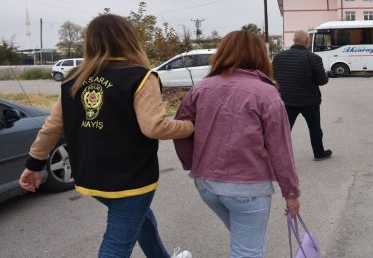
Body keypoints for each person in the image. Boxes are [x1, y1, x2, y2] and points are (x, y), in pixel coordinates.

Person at [19, 14, 194, 258]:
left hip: (90, 176)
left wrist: (34, 164)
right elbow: (155, 127)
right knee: (116, 245)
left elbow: (52, 126)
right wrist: (190, 126)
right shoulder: (141, 76)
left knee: (141, 220)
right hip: (131, 178)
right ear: (129, 39)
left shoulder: (73, 78)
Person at [173, 31, 301, 258]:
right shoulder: (267, 93)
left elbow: (181, 129)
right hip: (247, 188)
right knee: (248, 250)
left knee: (245, 241)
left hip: (206, 184)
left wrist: (193, 164)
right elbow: (281, 150)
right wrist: (290, 193)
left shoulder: (201, 88)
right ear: (260, 55)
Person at [272, 30, 332, 161]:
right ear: (306, 41)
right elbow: (322, 81)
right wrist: (326, 75)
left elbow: (275, 77)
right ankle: (319, 153)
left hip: (286, 101)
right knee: (315, 128)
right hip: (309, 101)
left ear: (294, 40)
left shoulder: (278, 57)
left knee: (284, 130)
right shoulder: (313, 58)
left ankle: (278, 157)